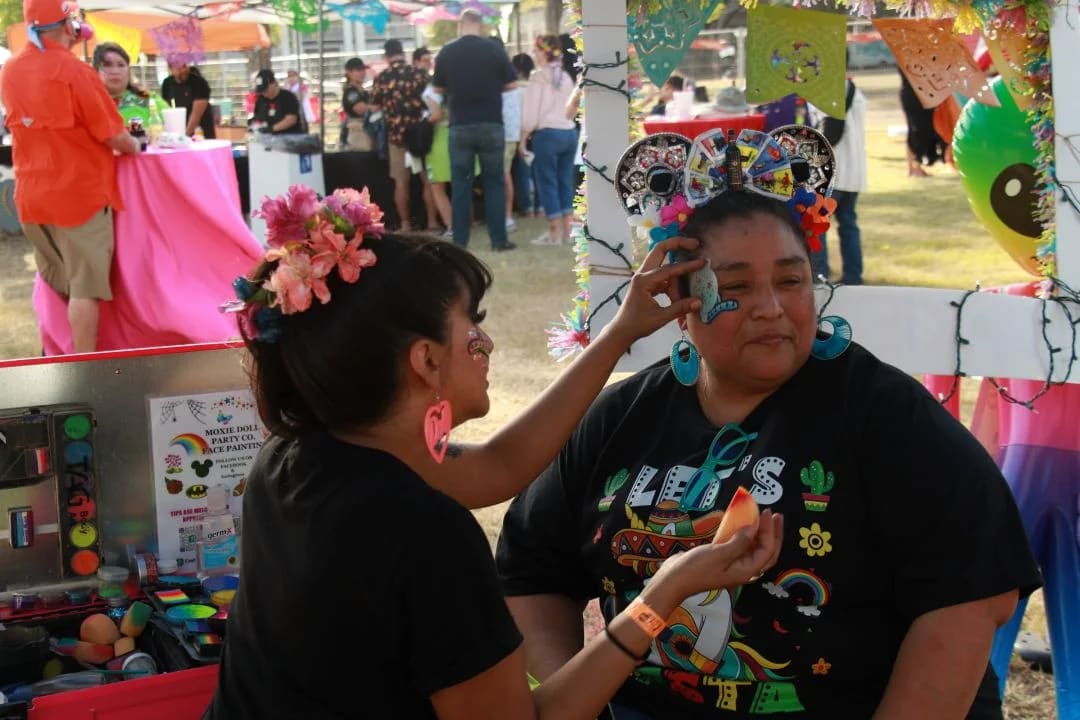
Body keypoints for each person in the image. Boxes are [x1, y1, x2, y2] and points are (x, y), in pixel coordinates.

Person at [205, 184, 783, 718]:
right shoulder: (427, 534)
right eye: (472, 327)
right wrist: (665, 593)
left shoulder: (295, 458)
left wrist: (619, 333)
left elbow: (498, 467)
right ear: (426, 360)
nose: (488, 343)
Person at [496, 188, 1042, 717]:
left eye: (791, 280)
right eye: (736, 286)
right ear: (682, 303)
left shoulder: (887, 416)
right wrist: (578, 703)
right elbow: (530, 576)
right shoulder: (621, 418)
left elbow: (971, 599)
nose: (771, 308)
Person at [1, 0, 138, 354]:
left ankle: (56, 354)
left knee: (60, 284)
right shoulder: (75, 71)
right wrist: (135, 145)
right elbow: (113, 135)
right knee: (83, 288)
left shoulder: (10, 70)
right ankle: (82, 367)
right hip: (78, 198)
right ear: (68, 24)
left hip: (31, 198)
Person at [432, 8, 518, 251]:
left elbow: (437, 88)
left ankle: (460, 241)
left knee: (461, 185)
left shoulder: (447, 51)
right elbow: (512, 84)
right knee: (494, 183)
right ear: (480, 25)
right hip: (491, 123)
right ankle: (499, 240)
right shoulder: (494, 49)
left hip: (460, 125)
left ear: (460, 25)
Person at [521, 35, 578, 246]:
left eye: (536, 50)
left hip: (547, 135)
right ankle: (568, 231)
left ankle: (554, 232)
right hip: (569, 133)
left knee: (547, 182)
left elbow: (531, 113)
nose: (534, 54)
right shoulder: (566, 77)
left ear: (545, 52)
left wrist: (523, 137)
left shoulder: (538, 77)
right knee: (565, 181)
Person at [813, 76, 867, 285]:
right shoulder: (855, 90)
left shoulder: (832, 89)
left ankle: (820, 275)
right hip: (853, 171)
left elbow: (831, 134)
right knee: (848, 225)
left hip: (834, 171)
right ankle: (853, 275)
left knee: (818, 225)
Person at [372, 39, 429, 231]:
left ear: (386, 56)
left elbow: (374, 106)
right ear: (403, 54)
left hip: (396, 136)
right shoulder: (419, 73)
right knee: (428, 180)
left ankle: (405, 224)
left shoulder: (382, 78)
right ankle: (432, 221)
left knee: (401, 182)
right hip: (420, 134)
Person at [92, 42, 166, 131]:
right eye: (107, 65)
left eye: (121, 65)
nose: (115, 71)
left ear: (128, 70)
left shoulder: (148, 97)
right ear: (95, 70)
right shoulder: (87, 103)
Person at [899, 71, 945, 177]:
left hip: (922, 94)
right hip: (915, 95)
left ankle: (914, 166)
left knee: (918, 130)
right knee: (917, 130)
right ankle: (914, 167)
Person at [510, 52, 538, 219]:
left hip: (519, 132)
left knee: (522, 172)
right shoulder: (536, 88)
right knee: (537, 170)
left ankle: (526, 206)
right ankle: (540, 205)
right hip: (537, 131)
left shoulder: (513, 90)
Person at [160, 61, 216, 139]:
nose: (184, 70)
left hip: (201, 134)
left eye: (185, 66)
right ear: (171, 69)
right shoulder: (167, 83)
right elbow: (166, 109)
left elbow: (196, 116)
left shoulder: (199, 83)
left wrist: (184, 137)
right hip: (178, 134)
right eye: (179, 68)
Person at [248, 70, 304, 135]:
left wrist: (271, 129)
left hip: (289, 136)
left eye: (265, 89)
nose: (264, 93)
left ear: (274, 83)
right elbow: (258, 117)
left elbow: (291, 119)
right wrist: (253, 123)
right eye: (261, 91)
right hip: (268, 137)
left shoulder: (288, 97)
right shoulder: (261, 100)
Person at [341, 57, 372, 151]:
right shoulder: (351, 91)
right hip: (357, 133)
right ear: (349, 72)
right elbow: (359, 109)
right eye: (358, 70)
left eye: (363, 69)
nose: (362, 73)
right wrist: (376, 107)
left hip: (366, 131)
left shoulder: (363, 91)